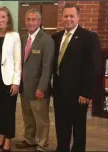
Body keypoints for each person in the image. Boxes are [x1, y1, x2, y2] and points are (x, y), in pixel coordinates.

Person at [52, 4, 101, 152]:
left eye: (71, 16)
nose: (68, 19)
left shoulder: (89, 37)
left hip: (78, 93)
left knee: (78, 126)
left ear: (78, 17)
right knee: (61, 124)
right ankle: (62, 148)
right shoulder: (56, 37)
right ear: (62, 17)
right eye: (65, 16)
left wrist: (86, 92)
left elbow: (93, 67)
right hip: (59, 91)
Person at [15, 9, 55, 152]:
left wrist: (42, 88)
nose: (31, 22)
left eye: (34, 19)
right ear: (25, 21)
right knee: (28, 117)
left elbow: (47, 67)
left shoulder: (46, 40)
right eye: (28, 19)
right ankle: (30, 139)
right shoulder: (23, 38)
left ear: (39, 22)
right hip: (24, 87)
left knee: (41, 119)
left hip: (38, 88)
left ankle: (42, 144)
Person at [0, 6, 21, 152]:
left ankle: (8, 138)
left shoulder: (14, 35)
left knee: (9, 111)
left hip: (9, 80)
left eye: (3, 17)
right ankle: (1, 134)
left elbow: (17, 60)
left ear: (8, 19)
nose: (0, 20)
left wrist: (16, 82)